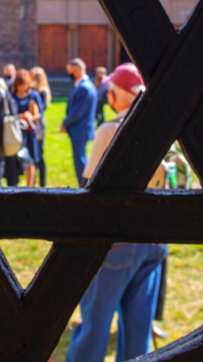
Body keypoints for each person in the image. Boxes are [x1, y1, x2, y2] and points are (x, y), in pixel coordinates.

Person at [66, 62, 167, 362]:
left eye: (111, 89)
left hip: (117, 238)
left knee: (95, 322)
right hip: (154, 236)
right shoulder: (164, 128)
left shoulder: (110, 130)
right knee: (139, 325)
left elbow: (89, 186)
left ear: (121, 95)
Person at [62, 58, 97, 187]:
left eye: (70, 72)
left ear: (76, 71)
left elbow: (77, 112)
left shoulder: (84, 88)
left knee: (81, 161)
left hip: (80, 129)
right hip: (81, 129)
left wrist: (65, 123)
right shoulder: (85, 85)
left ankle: (84, 186)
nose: (69, 75)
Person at [12, 69, 44, 187]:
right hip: (16, 132)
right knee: (16, 160)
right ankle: (15, 184)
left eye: (24, 84)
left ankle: (30, 186)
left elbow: (40, 114)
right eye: (20, 85)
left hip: (30, 132)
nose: (22, 87)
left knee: (31, 159)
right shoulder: (11, 96)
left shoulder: (33, 95)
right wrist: (20, 116)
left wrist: (30, 117)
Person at [30, 67, 52, 187]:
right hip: (33, 121)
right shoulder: (33, 90)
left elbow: (42, 108)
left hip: (39, 123)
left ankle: (42, 182)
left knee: (39, 152)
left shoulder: (42, 91)